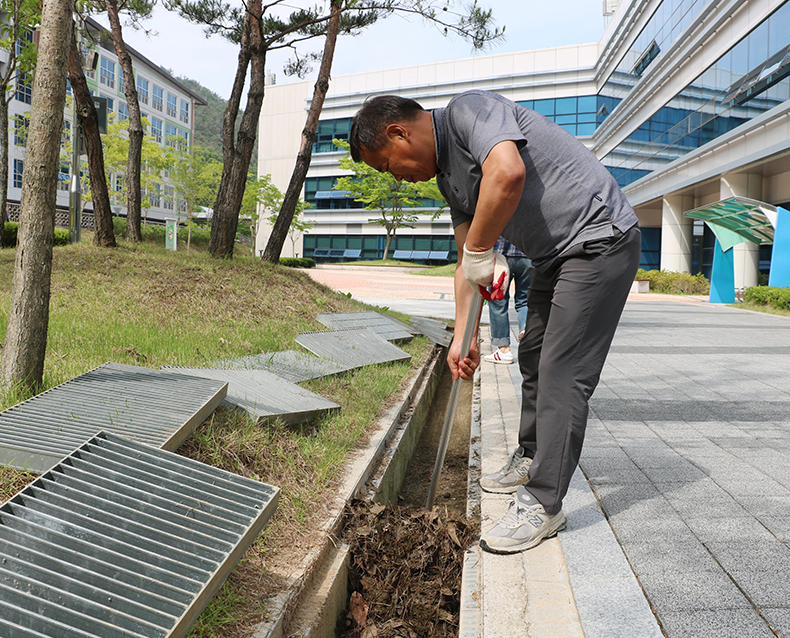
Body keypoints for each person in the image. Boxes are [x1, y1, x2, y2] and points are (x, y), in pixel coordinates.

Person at [349, 90, 640, 554]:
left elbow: (507, 173)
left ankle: (544, 503)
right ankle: (531, 454)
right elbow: (470, 264)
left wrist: (482, 251)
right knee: (534, 354)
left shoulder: (469, 112)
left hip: (599, 239)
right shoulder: (450, 181)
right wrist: (462, 339)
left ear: (398, 132)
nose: (398, 179)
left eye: (387, 165)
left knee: (563, 372)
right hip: (555, 257)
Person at [484, 237, 532, 365]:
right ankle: (525, 330)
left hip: (502, 256)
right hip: (528, 255)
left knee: (498, 302)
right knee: (525, 301)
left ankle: (504, 350)